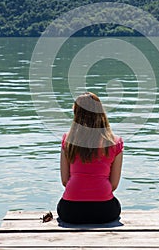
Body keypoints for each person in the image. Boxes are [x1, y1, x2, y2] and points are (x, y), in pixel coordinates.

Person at [57, 92, 123, 224]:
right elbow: (114, 185)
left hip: (70, 211)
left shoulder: (68, 140)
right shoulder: (115, 142)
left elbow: (65, 181)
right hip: (105, 211)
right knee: (116, 204)